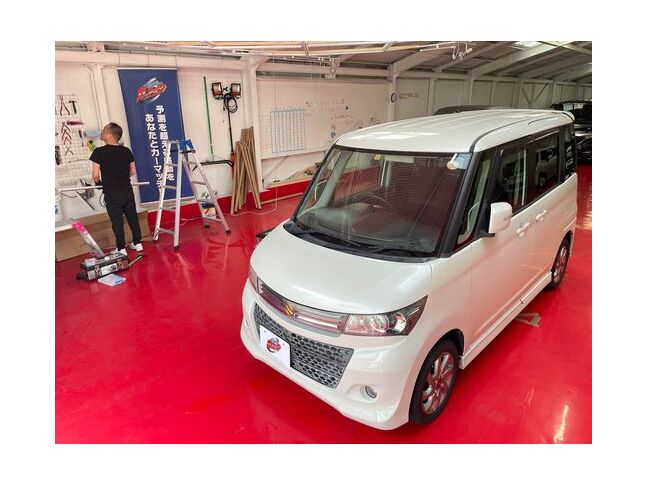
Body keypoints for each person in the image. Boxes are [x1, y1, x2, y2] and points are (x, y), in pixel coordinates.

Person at [90, 122, 143, 255]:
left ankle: (121, 248)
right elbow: (133, 171)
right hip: (127, 190)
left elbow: (95, 175)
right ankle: (137, 243)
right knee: (132, 217)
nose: (101, 133)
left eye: (103, 131)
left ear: (109, 135)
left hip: (112, 193)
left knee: (117, 221)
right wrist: (122, 178)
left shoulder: (98, 152)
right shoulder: (126, 151)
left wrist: (99, 182)